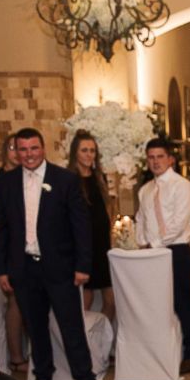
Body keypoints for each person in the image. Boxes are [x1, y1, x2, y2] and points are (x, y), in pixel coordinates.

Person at [0, 127, 103, 380]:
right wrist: (1, 270)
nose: (28, 154)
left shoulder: (64, 179)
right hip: (23, 267)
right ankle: (43, 378)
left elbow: (81, 226)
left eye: (34, 148)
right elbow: (0, 229)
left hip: (61, 266)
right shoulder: (6, 182)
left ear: (43, 149)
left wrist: (83, 265)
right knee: (35, 325)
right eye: (23, 149)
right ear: (16, 151)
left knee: (71, 325)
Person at [135, 138, 190, 374]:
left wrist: (153, 245)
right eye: (151, 157)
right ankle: (161, 350)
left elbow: (179, 222)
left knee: (181, 300)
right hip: (151, 253)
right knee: (156, 302)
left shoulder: (182, 185)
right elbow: (140, 218)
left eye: (160, 156)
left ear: (170, 159)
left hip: (176, 250)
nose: (155, 162)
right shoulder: (145, 189)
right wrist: (142, 242)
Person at [0, 133, 28, 372]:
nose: (16, 152)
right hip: (12, 248)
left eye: (19, 147)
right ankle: (16, 356)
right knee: (15, 301)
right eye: (11, 147)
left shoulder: (30, 175)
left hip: (32, 248)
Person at [67, 130, 115, 325]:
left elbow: (108, 210)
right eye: (84, 150)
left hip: (103, 246)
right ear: (75, 153)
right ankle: (85, 347)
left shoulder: (100, 177)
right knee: (85, 301)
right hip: (83, 247)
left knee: (111, 301)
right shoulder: (69, 180)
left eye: (92, 151)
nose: (89, 155)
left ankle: (101, 342)